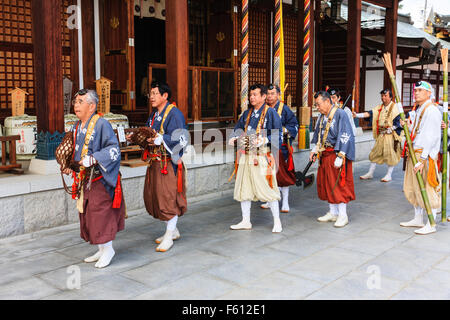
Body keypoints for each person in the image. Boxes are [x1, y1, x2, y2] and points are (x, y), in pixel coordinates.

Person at [63, 89, 126, 269]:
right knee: (89, 215)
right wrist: (69, 165)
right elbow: (73, 152)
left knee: (101, 215)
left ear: (91, 106)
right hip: (84, 179)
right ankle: (101, 249)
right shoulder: (76, 126)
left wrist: (96, 157)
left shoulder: (102, 124)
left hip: (99, 179)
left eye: (80, 101)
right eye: (75, 101)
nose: (76, 105)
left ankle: (108, 250)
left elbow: (114, 149)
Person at [127, 82, 188, 252]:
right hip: (154, 163)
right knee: (156, 197)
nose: (151, 97)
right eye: (150, 94)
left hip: (168, 163)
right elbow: (149, 134)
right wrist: (138, 138)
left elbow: (182, 139)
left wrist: (163, 139)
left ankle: (169, 236)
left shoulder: (174, 114)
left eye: (155, 93)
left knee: (168, 198)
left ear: (165, 96)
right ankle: (172, 230)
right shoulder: (154, 115)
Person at [228, 83, 283, 232]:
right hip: (246, 155)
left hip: (262, 155)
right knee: (243, 188)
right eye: (250, 95)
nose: (252, 98)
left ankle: (277, 221)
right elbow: (238, 129)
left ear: (264, 96)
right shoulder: (247, 114)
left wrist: (265, 139)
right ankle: (246, 220)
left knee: (268, 188)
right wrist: (234, 137)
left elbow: (279, 135)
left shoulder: (271, 113)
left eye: (255, 95)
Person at [399, 80, 442, 235]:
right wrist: (408, 125)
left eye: (420, 90)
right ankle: (418, 217)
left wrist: (423, 160)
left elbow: (431, 137)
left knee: (427, 188)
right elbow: (419, 132)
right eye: (415, 90)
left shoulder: (432, 110)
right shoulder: (419, 109)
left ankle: (431, 223)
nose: (416, 93)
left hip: (423, 155)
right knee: (414, 186)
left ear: (429, 93)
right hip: (415, 152)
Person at [310, 91, 356, 228]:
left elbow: (346, 134)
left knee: (339, 184)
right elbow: (319, 135)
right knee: (327, 183)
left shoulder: (340, 114)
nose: (317, 107)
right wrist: (314, 150)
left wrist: (341, 155)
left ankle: (343, 215)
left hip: (336, 154)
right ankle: (333, 212)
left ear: (327, 101)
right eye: (316, 105)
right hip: (324, 153)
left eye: (318, 104)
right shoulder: (321, 116)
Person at [260, 84, 299, 213]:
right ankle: (269, 199)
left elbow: (294, 125)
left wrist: (283, 130)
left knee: (282, 175)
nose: (270, 96)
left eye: (272, 93)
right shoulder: (262, 108)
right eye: (268, 94)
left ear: (278, 95)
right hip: (265, 145)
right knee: (267, 174)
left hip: (280, 146)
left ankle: (285, 202)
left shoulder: (285, 109)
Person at [354, 89, 402, 182]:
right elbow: (369, 113)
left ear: (390, 97)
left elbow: (399, 122)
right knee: (374, 153)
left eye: (385, 96)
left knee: (390, 154)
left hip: (390, 135)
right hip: (381, 134)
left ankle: (389, 174)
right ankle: (370, 173)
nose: (383, 98)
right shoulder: (379, 107)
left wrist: (392, 128)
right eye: (382, 96)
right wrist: (357, 115)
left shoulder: (396, 108)